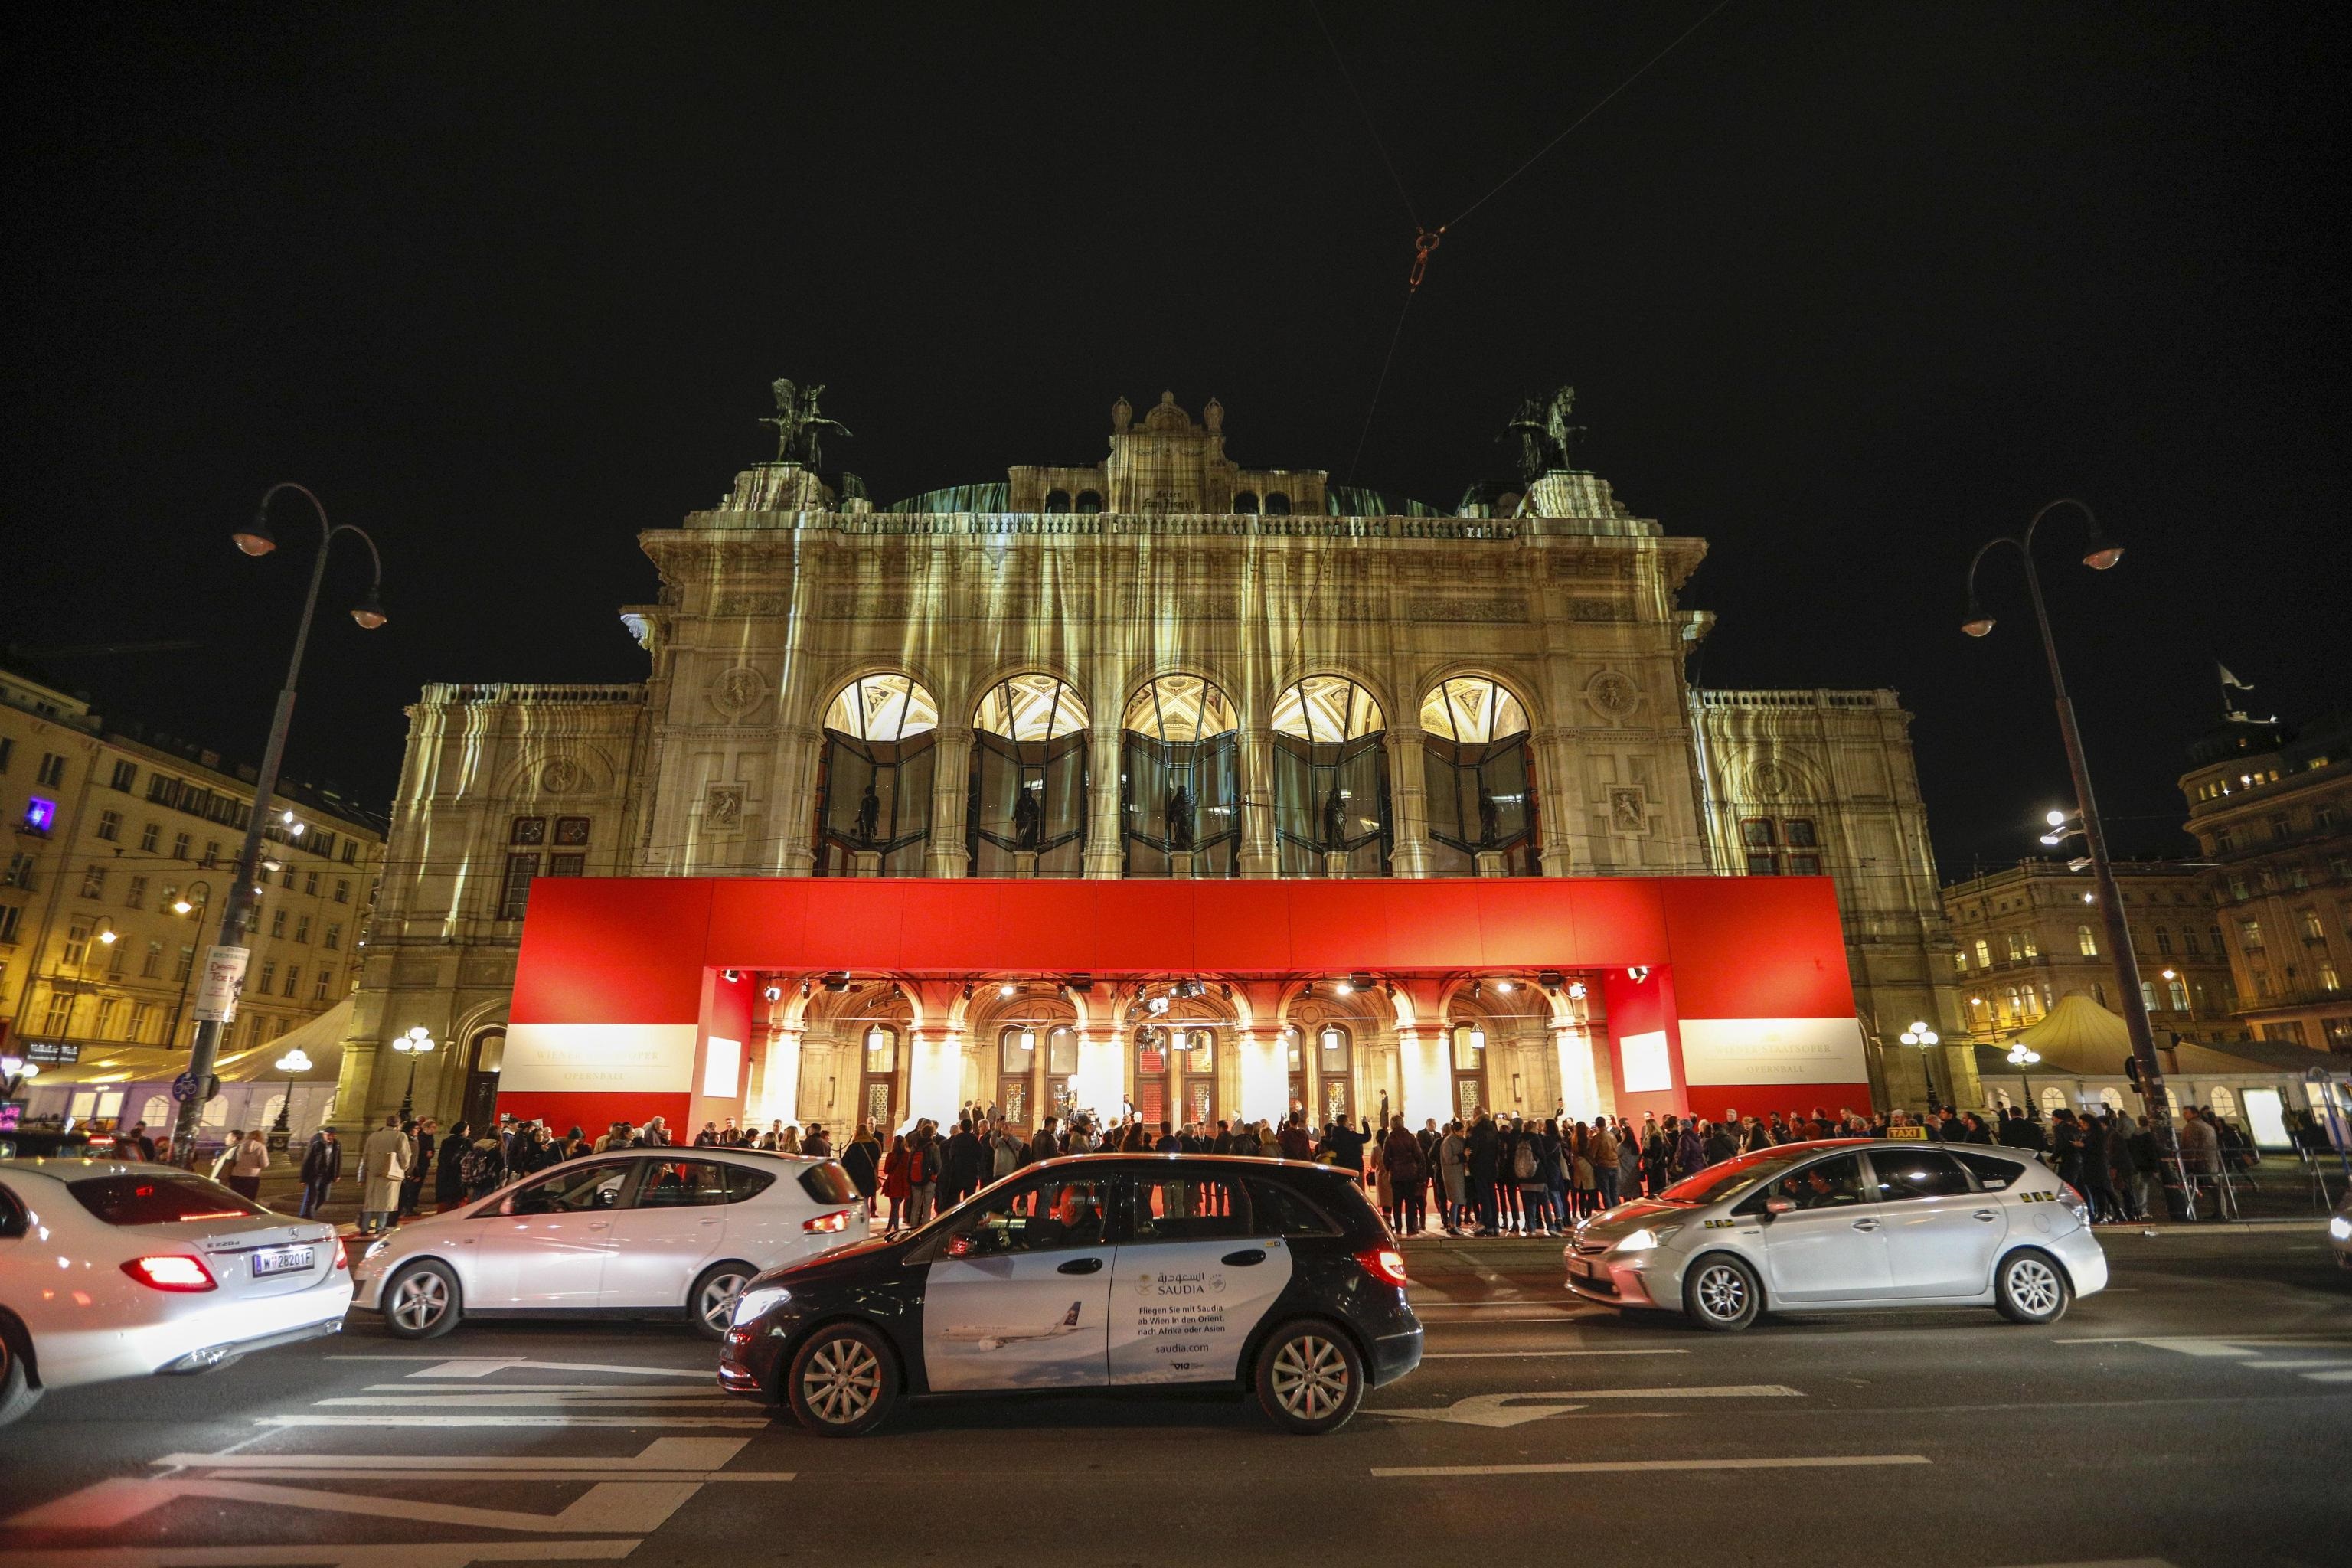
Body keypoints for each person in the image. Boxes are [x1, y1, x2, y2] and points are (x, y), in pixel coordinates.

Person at [359, 1113, 412, 1236]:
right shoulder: (400, 1136)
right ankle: (380, 1227)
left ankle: (364, 1228)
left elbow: (366, 1154)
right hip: (390, 1172)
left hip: (373, 1171)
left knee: (370, 1201)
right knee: (386, 1201)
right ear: (398, 1124)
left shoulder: (374, 1136)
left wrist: (368, 1167)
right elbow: (405, 1154)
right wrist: (404, 1167)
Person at [297, 1127, 341, 1218]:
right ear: (324, 1135)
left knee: (324, 1197)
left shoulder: (337, 1145)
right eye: (328, 1135)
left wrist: (337, 1174)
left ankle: (311, 1212)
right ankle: (309, 1216)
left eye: (332, 1136)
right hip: (315, 1174)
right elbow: (307, 1160)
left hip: (328, 1175)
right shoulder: (317, 1144)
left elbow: (338, 1160)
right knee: (312, 1197)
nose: (330, 1137)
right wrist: (303, 1178)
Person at [400, 1119, 438, 1218]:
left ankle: (410, 1206)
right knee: (410, 1188)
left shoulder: (428, 1138)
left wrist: (431, 1153)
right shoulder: (415, 1139)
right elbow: (411, 1154)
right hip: (414, 1166)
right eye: (416, 1129)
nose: (418, 1130)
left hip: (421, 1164)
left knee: (415, 1187)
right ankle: (407, 1208)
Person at [436, 1121, 473, 1211]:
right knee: (458, 1200)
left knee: (446, 1201)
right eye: (467, 1129)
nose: (469, 1131)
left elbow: (441, 1159)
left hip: (445, 1174)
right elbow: (470, 1159)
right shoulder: (467, 1141)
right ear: (462, 1130)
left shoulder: (446, 1141)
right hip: (459, 1174)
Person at [879, 1133, 912, 1236]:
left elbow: (886, 1170)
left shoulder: (891, 1155)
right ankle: (892, 1226)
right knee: (896, 1207)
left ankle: (894, 1227)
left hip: (893, 1183)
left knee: (894, 1207)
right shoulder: (908, 1155)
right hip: (904, 1184)